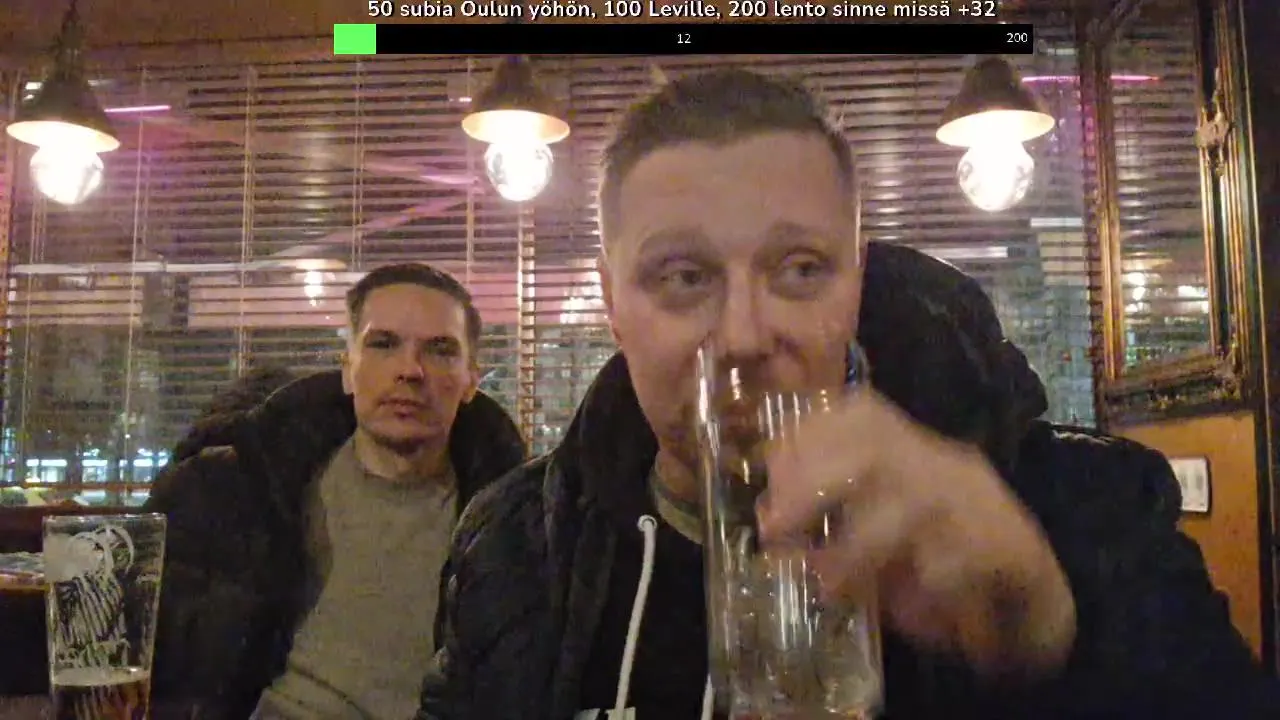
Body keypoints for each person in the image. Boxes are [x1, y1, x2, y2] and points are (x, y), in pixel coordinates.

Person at [416, 69, 1280, 719]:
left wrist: (1052, 633)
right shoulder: (513, 545)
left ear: (856, 280)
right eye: (683, 276)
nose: (745, 334)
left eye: (800, 268)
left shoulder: (1079, 506)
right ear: (612, 301)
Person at [145, 263, 526, 720]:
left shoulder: (515, 529)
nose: (410, 370)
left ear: (471, 381)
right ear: (348, 370)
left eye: (440, 350)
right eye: (383, 344)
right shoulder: (240, 493)